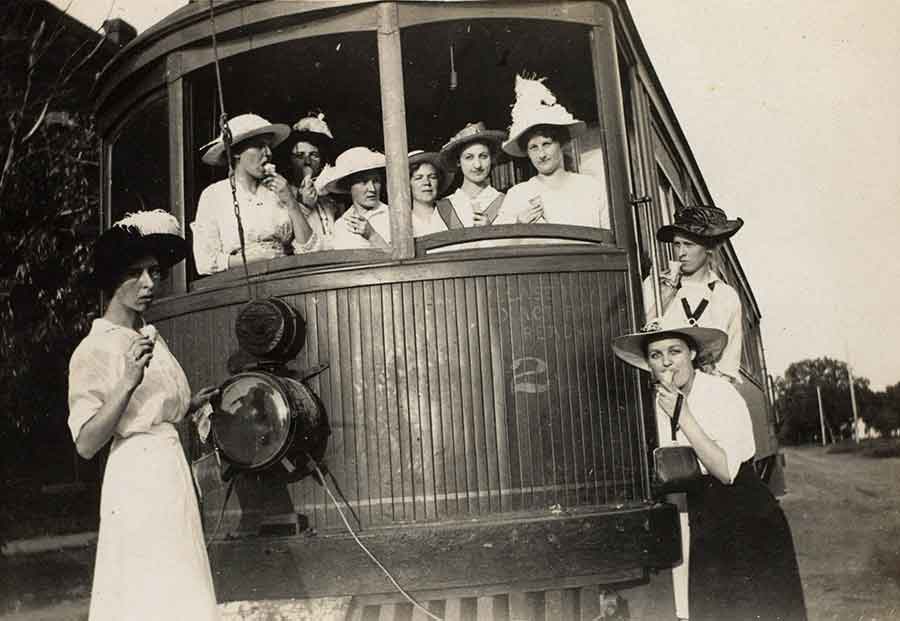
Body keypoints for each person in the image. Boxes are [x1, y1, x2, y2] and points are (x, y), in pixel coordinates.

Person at [68, 210, 221, 620]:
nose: (149, 283)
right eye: (136, 273)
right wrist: (128, 380)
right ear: (111, 280)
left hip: (171, 471)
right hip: (137, 480)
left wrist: (187, 404)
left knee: (180, 585)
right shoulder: (94, 349)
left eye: (154, 272)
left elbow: (151, 411)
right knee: (147, 587)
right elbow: (86, 443)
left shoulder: (150, 335)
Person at [612, 322, 807, 621]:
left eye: (674, 351)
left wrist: (683, 414)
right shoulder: (656, 402)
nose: (666, 362)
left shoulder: (720, 394)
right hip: (704, 518)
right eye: (655, 355)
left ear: (691, 353)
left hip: (745, 519)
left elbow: (726, 471)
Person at [191, 113, 314, 275]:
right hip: (237, 285)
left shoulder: (281, 190)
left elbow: (308, 249)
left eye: (269, 146)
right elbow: (205, 262)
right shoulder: (214, 195)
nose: (268, 153)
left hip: (284, 279)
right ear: (236, 152)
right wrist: (254, 260)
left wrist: (291, 202)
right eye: (259, 145)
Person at [643, 205, 744, 382]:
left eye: (689, 245)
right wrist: (667, 295)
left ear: (709, 248)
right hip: (661, 391)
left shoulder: (726, 296)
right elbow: (638, 342)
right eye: (677, 244)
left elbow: (729, 365)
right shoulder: (654, 285)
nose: (681, 253)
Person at [495, 75, 610, 229]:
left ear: (561, 143)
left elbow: (609, 240)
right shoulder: (518, 195)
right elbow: (499, 244)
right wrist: (518, 225)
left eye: (546, 144)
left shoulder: (590, 188)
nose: (541, 154)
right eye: (533, 147)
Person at [284, 112, 342, 250]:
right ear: (290, 161)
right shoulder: (284, 194)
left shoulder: (331, 196)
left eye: (314, 155)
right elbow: (284, 241)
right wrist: (304, 206)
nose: (307, 162)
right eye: (299, 156)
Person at [435, 122, 507, 228]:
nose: (477, 165)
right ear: (458, 161)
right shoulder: (444, 208)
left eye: (483, 156)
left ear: (491, 158)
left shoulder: (506, 202)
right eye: (469, 157)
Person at [321, 146, 390, 250]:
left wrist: (372, 236)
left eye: (376, 181)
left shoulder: (394, 216)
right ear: (349, 186)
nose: (372, 189)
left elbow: (404, 262)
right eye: (363, 182)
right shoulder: (341, 225)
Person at [408, 150, 453, 237]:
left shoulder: (451, 211)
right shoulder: (403, 221)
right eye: (418, 178)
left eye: (432, 177)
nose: (426, 182)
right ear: (408, 184)